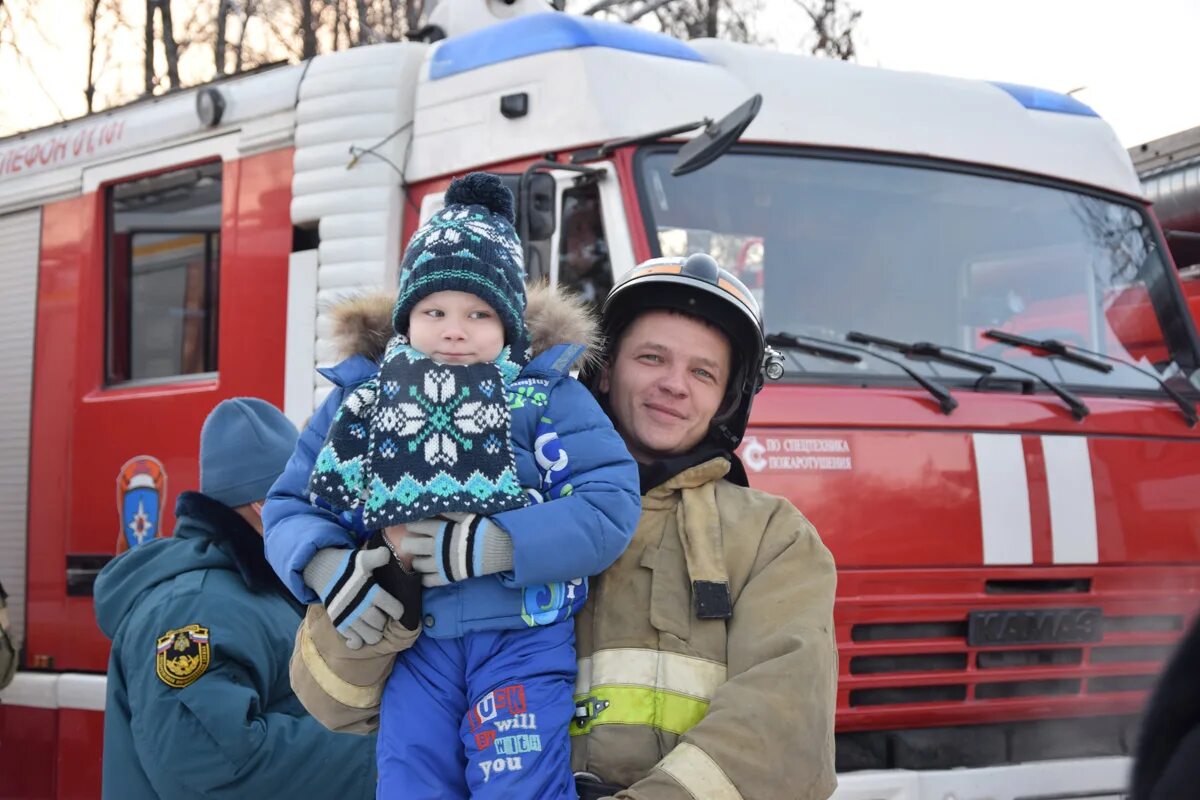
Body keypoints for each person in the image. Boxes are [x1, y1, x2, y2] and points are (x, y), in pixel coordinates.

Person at [286, 252, 838, 800]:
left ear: (727, 399)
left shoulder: (771, 538)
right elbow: (334, 704)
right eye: (651, 357)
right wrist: (389, 577)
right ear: (604, 366)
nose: (674, 384)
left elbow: (778, 735)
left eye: (702, 371)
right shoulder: (472, 487)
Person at [264, 173, 641, 799]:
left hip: (522, 641)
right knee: (414, 785)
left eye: (478, 313)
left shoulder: (547, 398)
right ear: (407, 319)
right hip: (418, 652)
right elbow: (290, 506)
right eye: (434, 311)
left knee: (520, 787)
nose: (454, 330)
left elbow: (609, 505)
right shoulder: (362, 402)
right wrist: (328, 566)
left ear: (510, 326)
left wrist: (495, 545)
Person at [93, 397, 377, 799]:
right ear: (263, 507)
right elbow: (213, 765)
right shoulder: (195, 606)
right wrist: (387, 754)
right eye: (305, 498)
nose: (322, 513)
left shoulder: (259, 591)